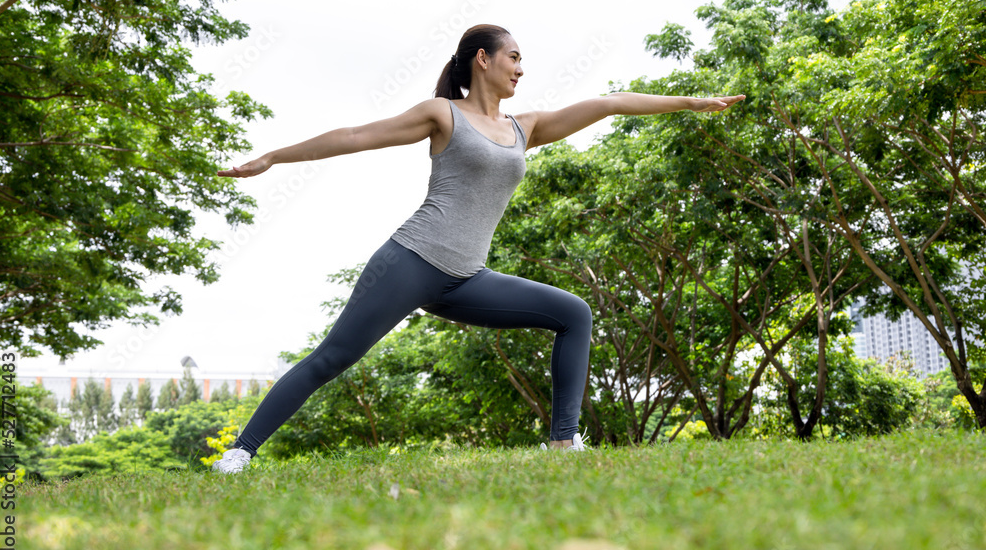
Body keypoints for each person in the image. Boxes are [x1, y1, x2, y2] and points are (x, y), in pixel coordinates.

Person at [212, 24, 744, 474]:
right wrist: (273, 158)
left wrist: (689, 103)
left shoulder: (523, 128)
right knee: (333, 358)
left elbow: (607, 104)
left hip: (466, 278)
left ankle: (563, 443)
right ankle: (239, 453)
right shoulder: (442, 114)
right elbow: (355, 135)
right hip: (412, 260)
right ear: (483, 59)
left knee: (573, 313)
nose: (520, 68)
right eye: (514, 57)